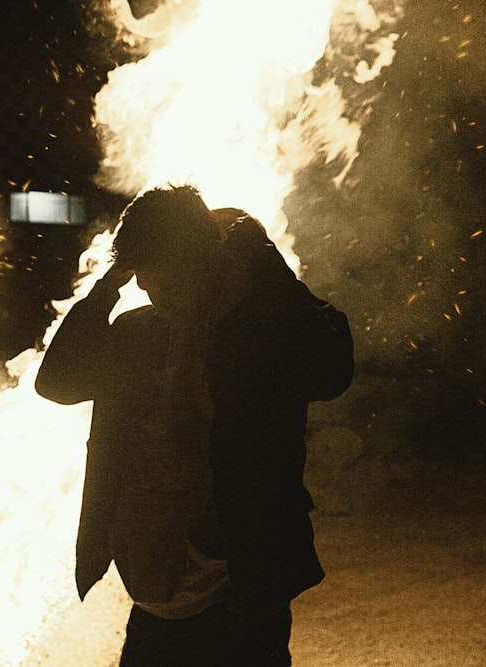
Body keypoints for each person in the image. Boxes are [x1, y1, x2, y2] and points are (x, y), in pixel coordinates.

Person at [35, 184, 354, 666]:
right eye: (143, 278)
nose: (155, 293)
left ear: (205, 261)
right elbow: (56, 383)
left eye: (168, 279)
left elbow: (332, 369)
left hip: (238, 584)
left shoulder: (259, 335)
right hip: (157, 587)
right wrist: (107, 286)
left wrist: (266, 264)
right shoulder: (139, 333)